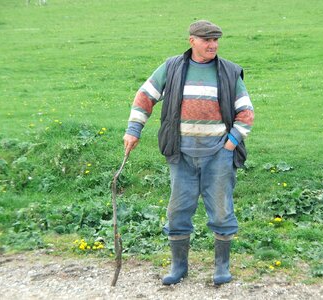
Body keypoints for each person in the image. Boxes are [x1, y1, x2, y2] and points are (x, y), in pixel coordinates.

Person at [123, 20, 254, 286]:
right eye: (207, 40)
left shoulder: (229, 72)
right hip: (180, 155)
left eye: (216, 40)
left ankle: (221, 269)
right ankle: (179, 267)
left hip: (218, 155)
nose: (212, 45)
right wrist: (133, 130)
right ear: (191, 41)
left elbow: (246, 113)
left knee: (221, 212)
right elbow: (144, 96)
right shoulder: (171, 68)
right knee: (178, 212)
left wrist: (229, 145)